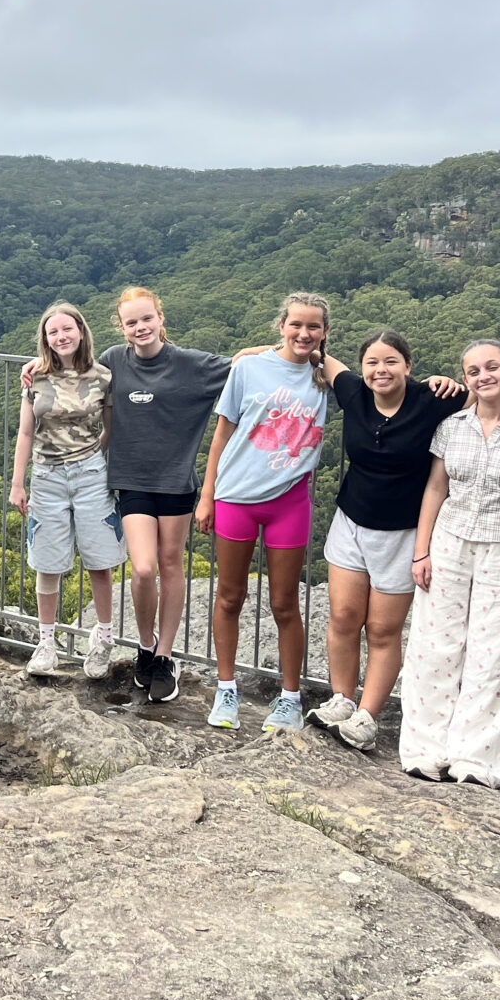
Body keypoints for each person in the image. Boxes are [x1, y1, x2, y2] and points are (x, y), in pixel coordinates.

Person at [305, 335, 500, 751]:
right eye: (372, 362)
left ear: (408, 366)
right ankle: (341, 699)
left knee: (383, 629)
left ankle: (367, 717)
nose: (381, 370)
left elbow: (496, 392)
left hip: (403, 532)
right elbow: (317, 355)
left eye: (391, 361)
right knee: (343, 617)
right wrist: (257, 352)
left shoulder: (433, 400)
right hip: (351, 523)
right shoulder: (354, 392)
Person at [399, 338, 500, 788]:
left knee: (493, 654)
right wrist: (422, 550)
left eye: (492, 367)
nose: (483, 376)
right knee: (435, 645)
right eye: (473, 371)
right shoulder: (452, 427)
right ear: (465, 378)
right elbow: (436, 488)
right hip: (450, 543)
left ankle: (477, 757)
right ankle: (425, 749)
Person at [198, 293, 333, 733]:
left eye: (313, 327)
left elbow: (380, 379)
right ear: (281, 325)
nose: (304, 333)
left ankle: (290, 698)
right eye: (296, 324)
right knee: (229, 595)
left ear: (324, 332)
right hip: (235, 496)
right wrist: (207, 495)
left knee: (284, 603)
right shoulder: (248, 368)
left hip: (289, 501)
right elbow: (222, 436)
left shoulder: (325, 376)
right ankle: (226, 690)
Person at [101, 288, 231, 703]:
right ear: (122, 328)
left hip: (176, 480)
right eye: (132, 322)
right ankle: (145, 643)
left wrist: (298, 350)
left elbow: (244, 364)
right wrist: (37, 365)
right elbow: (72, 369)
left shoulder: (191, 364)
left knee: (171, 563)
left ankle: (164, 656)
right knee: (143, 568)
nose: (140, 327)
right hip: (132, 479)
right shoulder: (113, 360)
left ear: (160, 318)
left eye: (147, 319)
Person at [9, 302, 122, 681]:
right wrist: (17, 483)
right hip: (47, 477)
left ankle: (104, 638)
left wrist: (92, 460)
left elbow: (110, 429)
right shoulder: (35, 377)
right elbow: (26, 432)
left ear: (81, 330)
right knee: (48, 562)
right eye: (53, 331)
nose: (61, 336)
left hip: (91, 476)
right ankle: (46, 644)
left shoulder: (103, 376)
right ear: (45, 339)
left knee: (99, 560)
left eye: (67, 328)